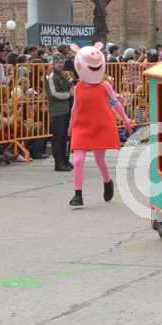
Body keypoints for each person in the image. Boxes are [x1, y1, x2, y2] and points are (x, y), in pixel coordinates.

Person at [68, 43, 132, 208]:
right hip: (81, 125)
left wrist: (125, 119)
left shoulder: (105, 86)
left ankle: (107, 181)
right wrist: (71, 123)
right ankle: (78, 194)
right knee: (78, 160)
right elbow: (75, 106)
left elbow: (115, 103)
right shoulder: (78, 87)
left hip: (100, 125)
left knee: (99, 160)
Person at [46, 55, 73, 171]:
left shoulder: (63, 75)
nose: (60, 64)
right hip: (57, 111)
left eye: (61, 62)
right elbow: (54, 93)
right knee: (58, 137)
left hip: (65, 109)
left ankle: (65, 160)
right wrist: (69, 95)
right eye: (57, 62)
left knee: (64, 137)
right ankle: (59, 163)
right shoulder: (52, 76)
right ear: (53, 64)